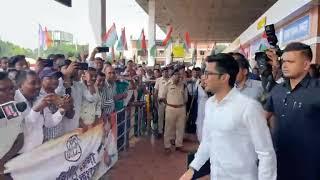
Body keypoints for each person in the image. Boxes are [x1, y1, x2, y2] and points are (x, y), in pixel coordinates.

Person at [180, 53, 276, 180]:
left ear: (224, 77)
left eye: (208, 73)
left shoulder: (248, 107)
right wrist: (193, 169)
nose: (204, 77)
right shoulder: (210, 104)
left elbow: (266, 153)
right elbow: (207, 141)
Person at [264, 42, 320, 180]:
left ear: (306, 65)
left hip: (310, 166)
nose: (284, 65)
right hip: (279, 162)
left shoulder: (317, 90)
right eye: (283, 61)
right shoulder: (277, 90)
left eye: (290, 61)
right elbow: (261, 117)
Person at [0, 72, 24, 179]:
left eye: (11, 88)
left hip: (8, 166)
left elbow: (20, 139)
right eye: (3, 89)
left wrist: (3, 160)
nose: (10, 93)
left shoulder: (14, 107)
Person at [159, 69, 188, 153]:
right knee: (168, 128)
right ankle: (167, 146)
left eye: (178, 75)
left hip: (181, 108)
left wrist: (181, 104)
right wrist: (170, 104)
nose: (177, 77)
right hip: (170, 108)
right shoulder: (167, 85)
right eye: (175, 75)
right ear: (171, 76)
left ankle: (179, 145)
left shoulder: (183, 85)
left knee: (180, 128)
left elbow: (186, 98)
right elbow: (163, 97)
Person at [154, 68, 169, 136]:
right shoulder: (159, 80)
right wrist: (155, 101)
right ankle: (160, 131)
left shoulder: (171, 80)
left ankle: (167, 131)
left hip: (169, 102)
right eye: (164, 72)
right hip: (160, 101)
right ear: (162, 73)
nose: (165, 73)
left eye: (166, 72)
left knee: (168, 117)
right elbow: (156, 91)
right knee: (160, 117)